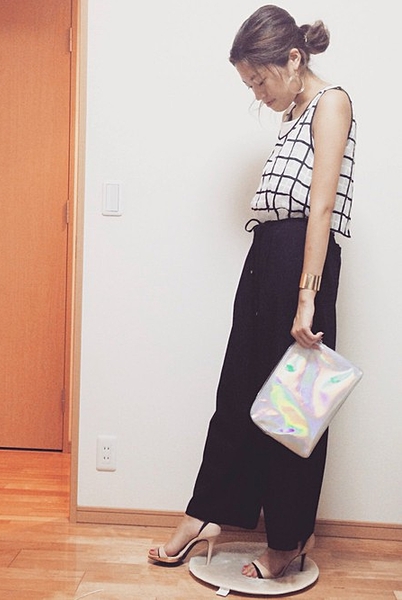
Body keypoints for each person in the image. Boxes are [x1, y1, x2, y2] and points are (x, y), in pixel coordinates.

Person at [148, 4, 356, 580]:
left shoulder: (332, 102)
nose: (259, 95)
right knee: (239, 393)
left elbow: (319, 209)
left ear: (293, 58)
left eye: (261, 81)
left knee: (294, 408)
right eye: (250, 85)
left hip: (301, 263)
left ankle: (287, 542)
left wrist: (307, 296)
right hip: (268, 258)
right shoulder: (294, 115)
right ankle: (206, 514)